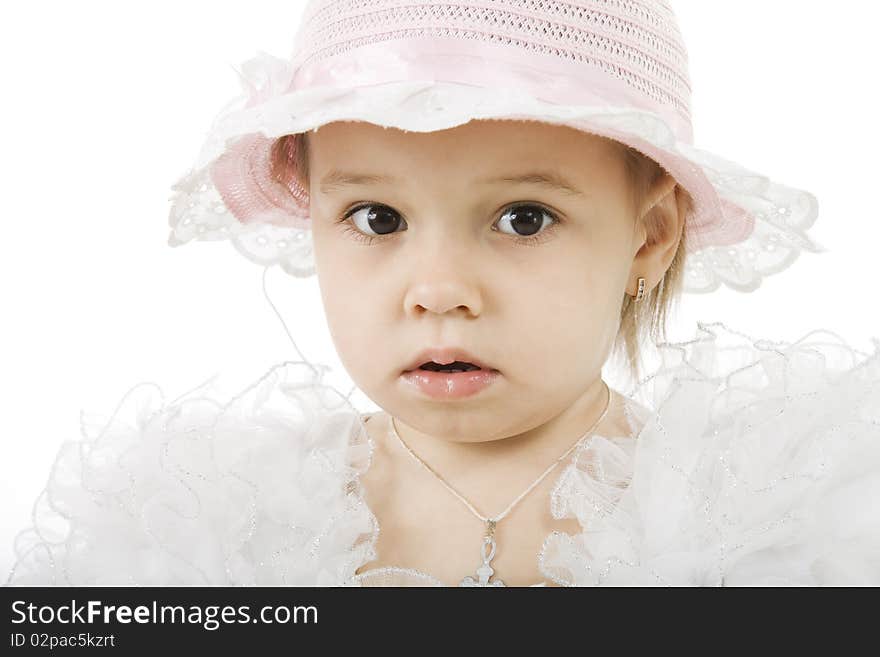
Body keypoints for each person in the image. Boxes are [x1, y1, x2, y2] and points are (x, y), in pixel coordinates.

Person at [6, 0, 879, 587]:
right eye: (377, 217)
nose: (439, 291)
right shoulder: (204, 530)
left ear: (648, 237)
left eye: (524, 218)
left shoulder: (765, 521)